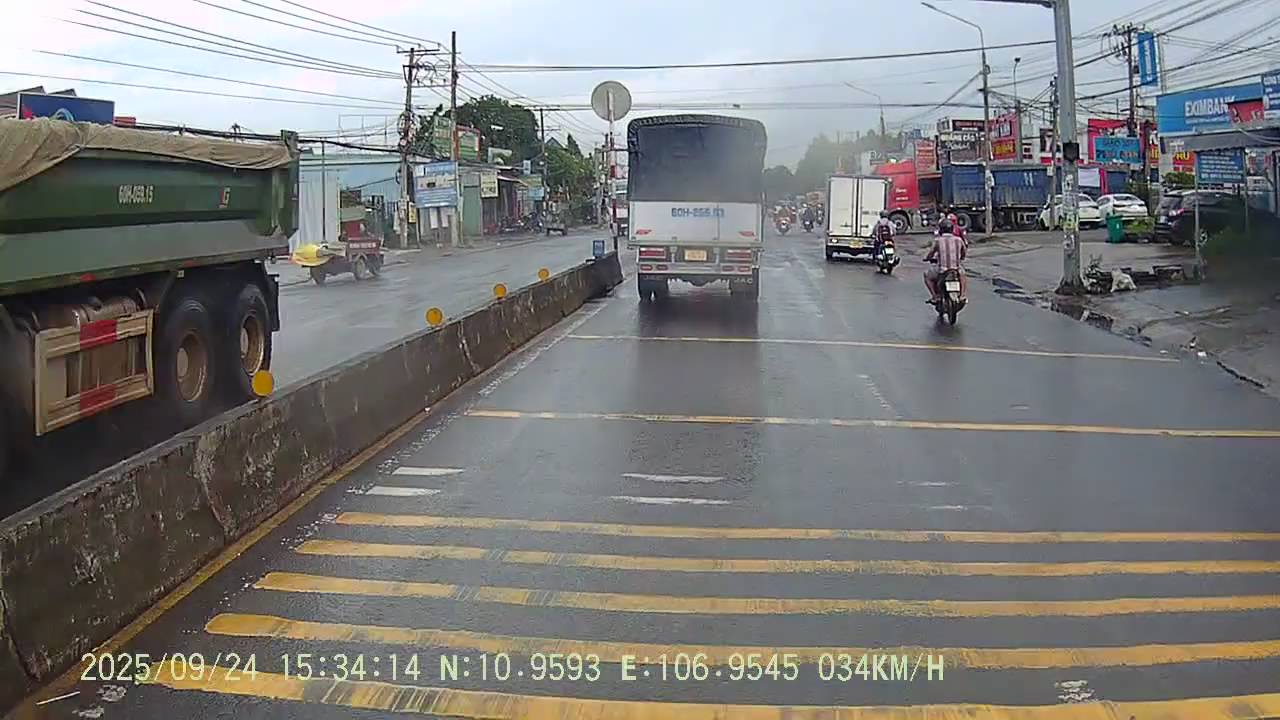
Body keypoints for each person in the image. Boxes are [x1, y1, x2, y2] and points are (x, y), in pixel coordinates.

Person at [924, 218, 967, 304]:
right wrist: (961, 257)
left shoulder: (937, 240)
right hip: (956, 269)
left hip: (942, 270)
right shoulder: (959, 240)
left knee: (927, 276)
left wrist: (928, 258)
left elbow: (931, 253)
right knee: (963, 275)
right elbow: (964, 252)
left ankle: (935, 297)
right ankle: (962, 296)